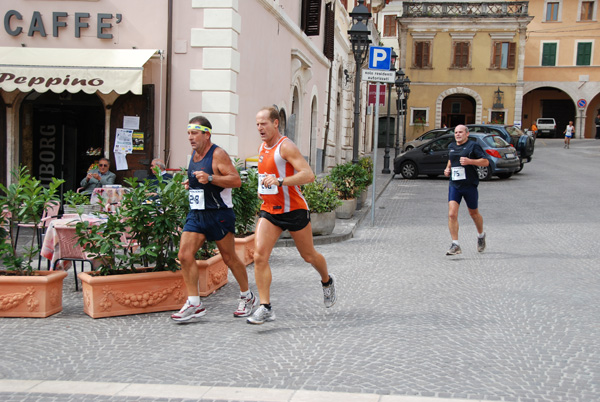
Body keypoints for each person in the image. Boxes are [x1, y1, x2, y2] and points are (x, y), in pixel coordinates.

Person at [246, 106, 337, 325]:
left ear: (276, 123)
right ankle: (265, 307)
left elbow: (309, 175)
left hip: (294, 210)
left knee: (308, 256)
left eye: (264, 123)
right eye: (257, 124)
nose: (260, 127)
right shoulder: (262, 147)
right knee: (259, 256)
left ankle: (327, 281)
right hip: (270, 210)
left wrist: (280, 181)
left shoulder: (285, 146)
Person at [171, 116, 257, 322]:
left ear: (206, 134)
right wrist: (191, 183)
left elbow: (236, 180)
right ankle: (194, 303)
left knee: (229, 257)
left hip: (219, 214)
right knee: (184, 255)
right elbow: (199, 178)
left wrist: (210, 178)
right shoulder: (194, 154)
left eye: (195, 133)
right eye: (189, 133)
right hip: (197, 213)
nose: (190, 137)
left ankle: (247, 296)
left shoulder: (218, 154)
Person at [443, 125, 489, 256]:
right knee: (452, 214)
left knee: (473, 213)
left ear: (467, 134)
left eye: (460, 132)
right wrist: (447, 169)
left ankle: (481, 235)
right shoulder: (451, 146)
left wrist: (470, 161)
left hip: (469, 185)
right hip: (455, 185)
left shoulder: (473, 146)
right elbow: (451, 160)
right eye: (456, 132)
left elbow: (485, 162)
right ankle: (455, 244)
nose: (457, 134)